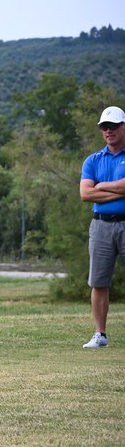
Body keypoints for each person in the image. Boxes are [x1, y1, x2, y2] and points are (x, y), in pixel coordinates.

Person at [79, 105, 125, 348]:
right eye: (105, 127)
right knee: (98, 282)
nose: (109, 130)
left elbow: (95, 190)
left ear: (123, 127)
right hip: (101, 226)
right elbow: (86, 194)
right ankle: (100, 335)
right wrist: (119, 189)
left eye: (114, 126)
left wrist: (102, 186)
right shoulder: (93, 160)